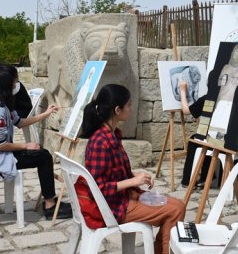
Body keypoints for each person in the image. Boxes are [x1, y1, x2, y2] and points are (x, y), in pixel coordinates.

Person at [75, 84, 185, 254]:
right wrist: (133, 181)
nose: (131, 108)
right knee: (175, 210)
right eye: (129, 105)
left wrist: (137, 176)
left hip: (124, 198)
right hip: (114, 207)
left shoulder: (111, 135)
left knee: (178, 205)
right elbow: (100, 188)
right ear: (117, 110)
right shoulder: (100, 142)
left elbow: (115, 172)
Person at [0, 65, 72, 220]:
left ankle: (50, 200)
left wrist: (46, 114)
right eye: (14, 84)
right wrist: (26, 145)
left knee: (42, 152)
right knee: (44, 157)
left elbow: (20, 122)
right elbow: (0, 145)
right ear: (6, 86)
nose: (16, 87)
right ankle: (50, 205)